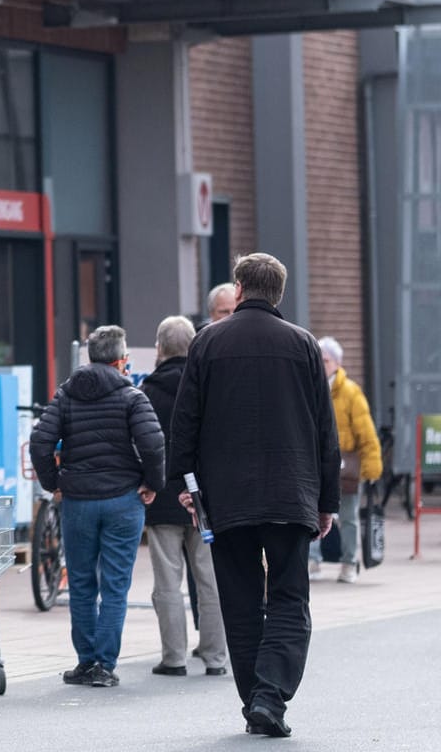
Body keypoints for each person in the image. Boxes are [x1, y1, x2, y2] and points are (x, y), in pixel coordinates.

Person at [168, 254, 340, 739]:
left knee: (240, 601)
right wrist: (326, 501)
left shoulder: (207, 343)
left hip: (227, 498)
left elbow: (185, 423)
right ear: (278, 294)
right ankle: (270, 696)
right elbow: (325, 432)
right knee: (289, 597)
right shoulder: (304, 346)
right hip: (292, 495)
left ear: (239, 288)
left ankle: (256, 700)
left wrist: (187, 486)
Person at [26, 324, 164, 689]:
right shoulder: (132, 397)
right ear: (121, 360)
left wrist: (53, 484)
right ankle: (105, 664)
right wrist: (153, 483)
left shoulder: (66, 395)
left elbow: (40, 440)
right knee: (115, 585)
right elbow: (153, 444)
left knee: (83, 583)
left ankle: (85, 661)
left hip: (79, 503)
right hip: (123, 500)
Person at [139, 316, 227, 678]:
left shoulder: (147, 390)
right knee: (210, 579)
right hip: (204, 496)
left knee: (167, 582)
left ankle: (173, 658)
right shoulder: (208, 387)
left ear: (159, 348)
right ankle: (216, 657)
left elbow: (144, 445)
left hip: (162, 497)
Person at [317, 337, 382, 584]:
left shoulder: (351, 392)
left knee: (348, 515)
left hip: (348, 466)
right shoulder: (313, 387)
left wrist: (371, 468)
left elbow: (366, 432)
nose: (322, 365)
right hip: (322, 463)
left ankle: (348, 562)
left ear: (337, 363)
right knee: (313, 513)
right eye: (320, 360)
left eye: (326, 360)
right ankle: (314, 561)